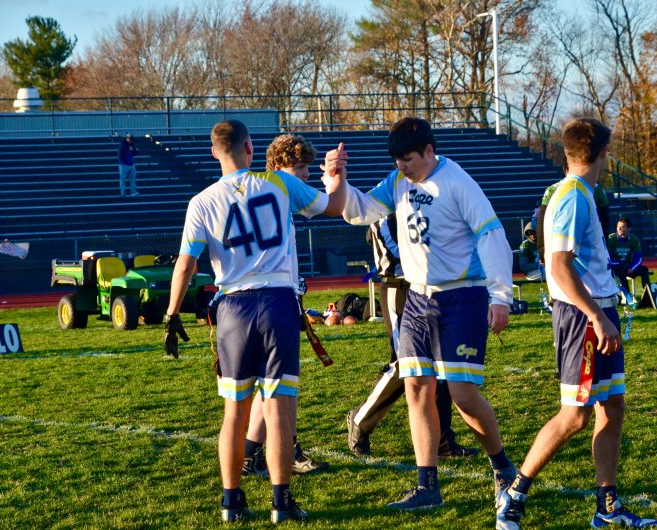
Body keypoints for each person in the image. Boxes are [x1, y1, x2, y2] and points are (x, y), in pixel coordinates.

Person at [328, 117, 517, 520]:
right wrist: (337, 179)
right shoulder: (398, 180)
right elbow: (359, 211)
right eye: (397, 160)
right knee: (416, 386)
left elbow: (491, 234)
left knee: (464, 396)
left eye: (408, 159)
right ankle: (426, 485)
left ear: (429, 151)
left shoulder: (458, 182)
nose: (402, 167)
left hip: (461, 297)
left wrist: (500, 296)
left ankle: (503, 468)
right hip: (417, 298)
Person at [163, 120, 346, 523]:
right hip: (278, 301)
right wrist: (335, 175)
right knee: (280, 409)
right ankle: (281, 503)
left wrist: (172, 314)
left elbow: (186, 264)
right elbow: (334, 206)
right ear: (250, 147)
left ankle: (231, 502)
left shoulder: (201, 201)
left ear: (214, 152)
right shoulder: (278, 183)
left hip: (232, 308)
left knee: (235, 411)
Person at [496, 118, 657, 529]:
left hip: (597, 314)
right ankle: (513, 496)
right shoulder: (572, 196)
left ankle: (607, 508)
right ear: (604, 152)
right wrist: (596, 317)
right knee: (574, 416)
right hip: (583, 318)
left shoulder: (581, 192)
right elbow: (559, 267)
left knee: (613, 406)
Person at [346, 213, 480, 459]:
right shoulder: (386, 196)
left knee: (437, 364)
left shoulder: (421, 194)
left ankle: (440, 440)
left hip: (428, 288)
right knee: (405, 364)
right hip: (399, 287)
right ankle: (361, 418)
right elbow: (389, 250)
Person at [242, 134, 330, 478]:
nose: (306, 173)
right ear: (278, 168)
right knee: (281, 384)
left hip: (256, 300)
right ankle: (286, 450)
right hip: (271, 301)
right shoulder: (279, 191)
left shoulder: (259, 192)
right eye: (300, 167)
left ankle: (251, 453)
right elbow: (332, 206)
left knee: (269, 383)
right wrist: (335, 179)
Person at [537, 172, 609, 266]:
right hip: (588, 246)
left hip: (561, 244)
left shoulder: (553, 189)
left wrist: (542, 249)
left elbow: (542, 221)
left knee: (563, 269)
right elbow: (604, 222)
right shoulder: (596, 189)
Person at [607, 217, 652, 296]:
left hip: (629, 265)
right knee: (620, 270)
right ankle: (627, 295)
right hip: (616, 265)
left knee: (644, 270)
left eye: (623, 227)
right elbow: (608, 258)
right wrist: (620, 264)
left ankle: (648, 294)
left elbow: (638, 258)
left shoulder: (634, 239)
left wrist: (632, 268)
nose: (620, 229)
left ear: (628, 229)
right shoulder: (611, 239)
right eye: (618, 227)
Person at [118, 132, 139, 197]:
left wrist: (133, 150)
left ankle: (133, 192)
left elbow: (135, 153)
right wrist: (124, 161)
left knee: (132, 179)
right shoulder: (122, 145)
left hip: (131, 164)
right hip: (124, 165)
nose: (130, 140)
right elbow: (120, 155)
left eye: (131, 139)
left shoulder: (132, 144)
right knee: (123, 179)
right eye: (129, 139)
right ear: (126, 138)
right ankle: (123, 193)